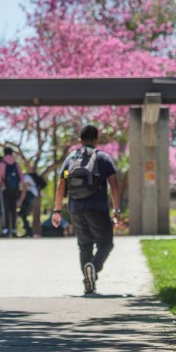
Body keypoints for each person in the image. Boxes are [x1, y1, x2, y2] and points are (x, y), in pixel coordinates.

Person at [51, 124, 121, 295]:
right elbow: (114, 185)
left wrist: (57, 211)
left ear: (80, 140)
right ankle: (94, 269)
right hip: (97, 208)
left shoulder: (70, 160)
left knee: (85, 246)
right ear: (96, 140)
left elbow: (61, 186)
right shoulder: (103, 158)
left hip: (76, 208)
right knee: (106, 243)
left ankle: (88, 282)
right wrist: (116, 210)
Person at [0, 148, 24, 237]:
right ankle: (14, 229)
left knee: (5, 210)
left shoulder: (2, 164)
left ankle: (6, 229)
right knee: (14, 210)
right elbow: (22, 178)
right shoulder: (16, 164)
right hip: (15, 190)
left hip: (5, 190)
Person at [17, 171, 43, 237]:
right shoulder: (22, 179)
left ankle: (29, 231)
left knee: (23, 212)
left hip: (30, 194)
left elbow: (24, 191)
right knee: (23, 213)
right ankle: (28, 231)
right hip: (30, 195)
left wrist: (20, 201)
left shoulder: (26, 178)